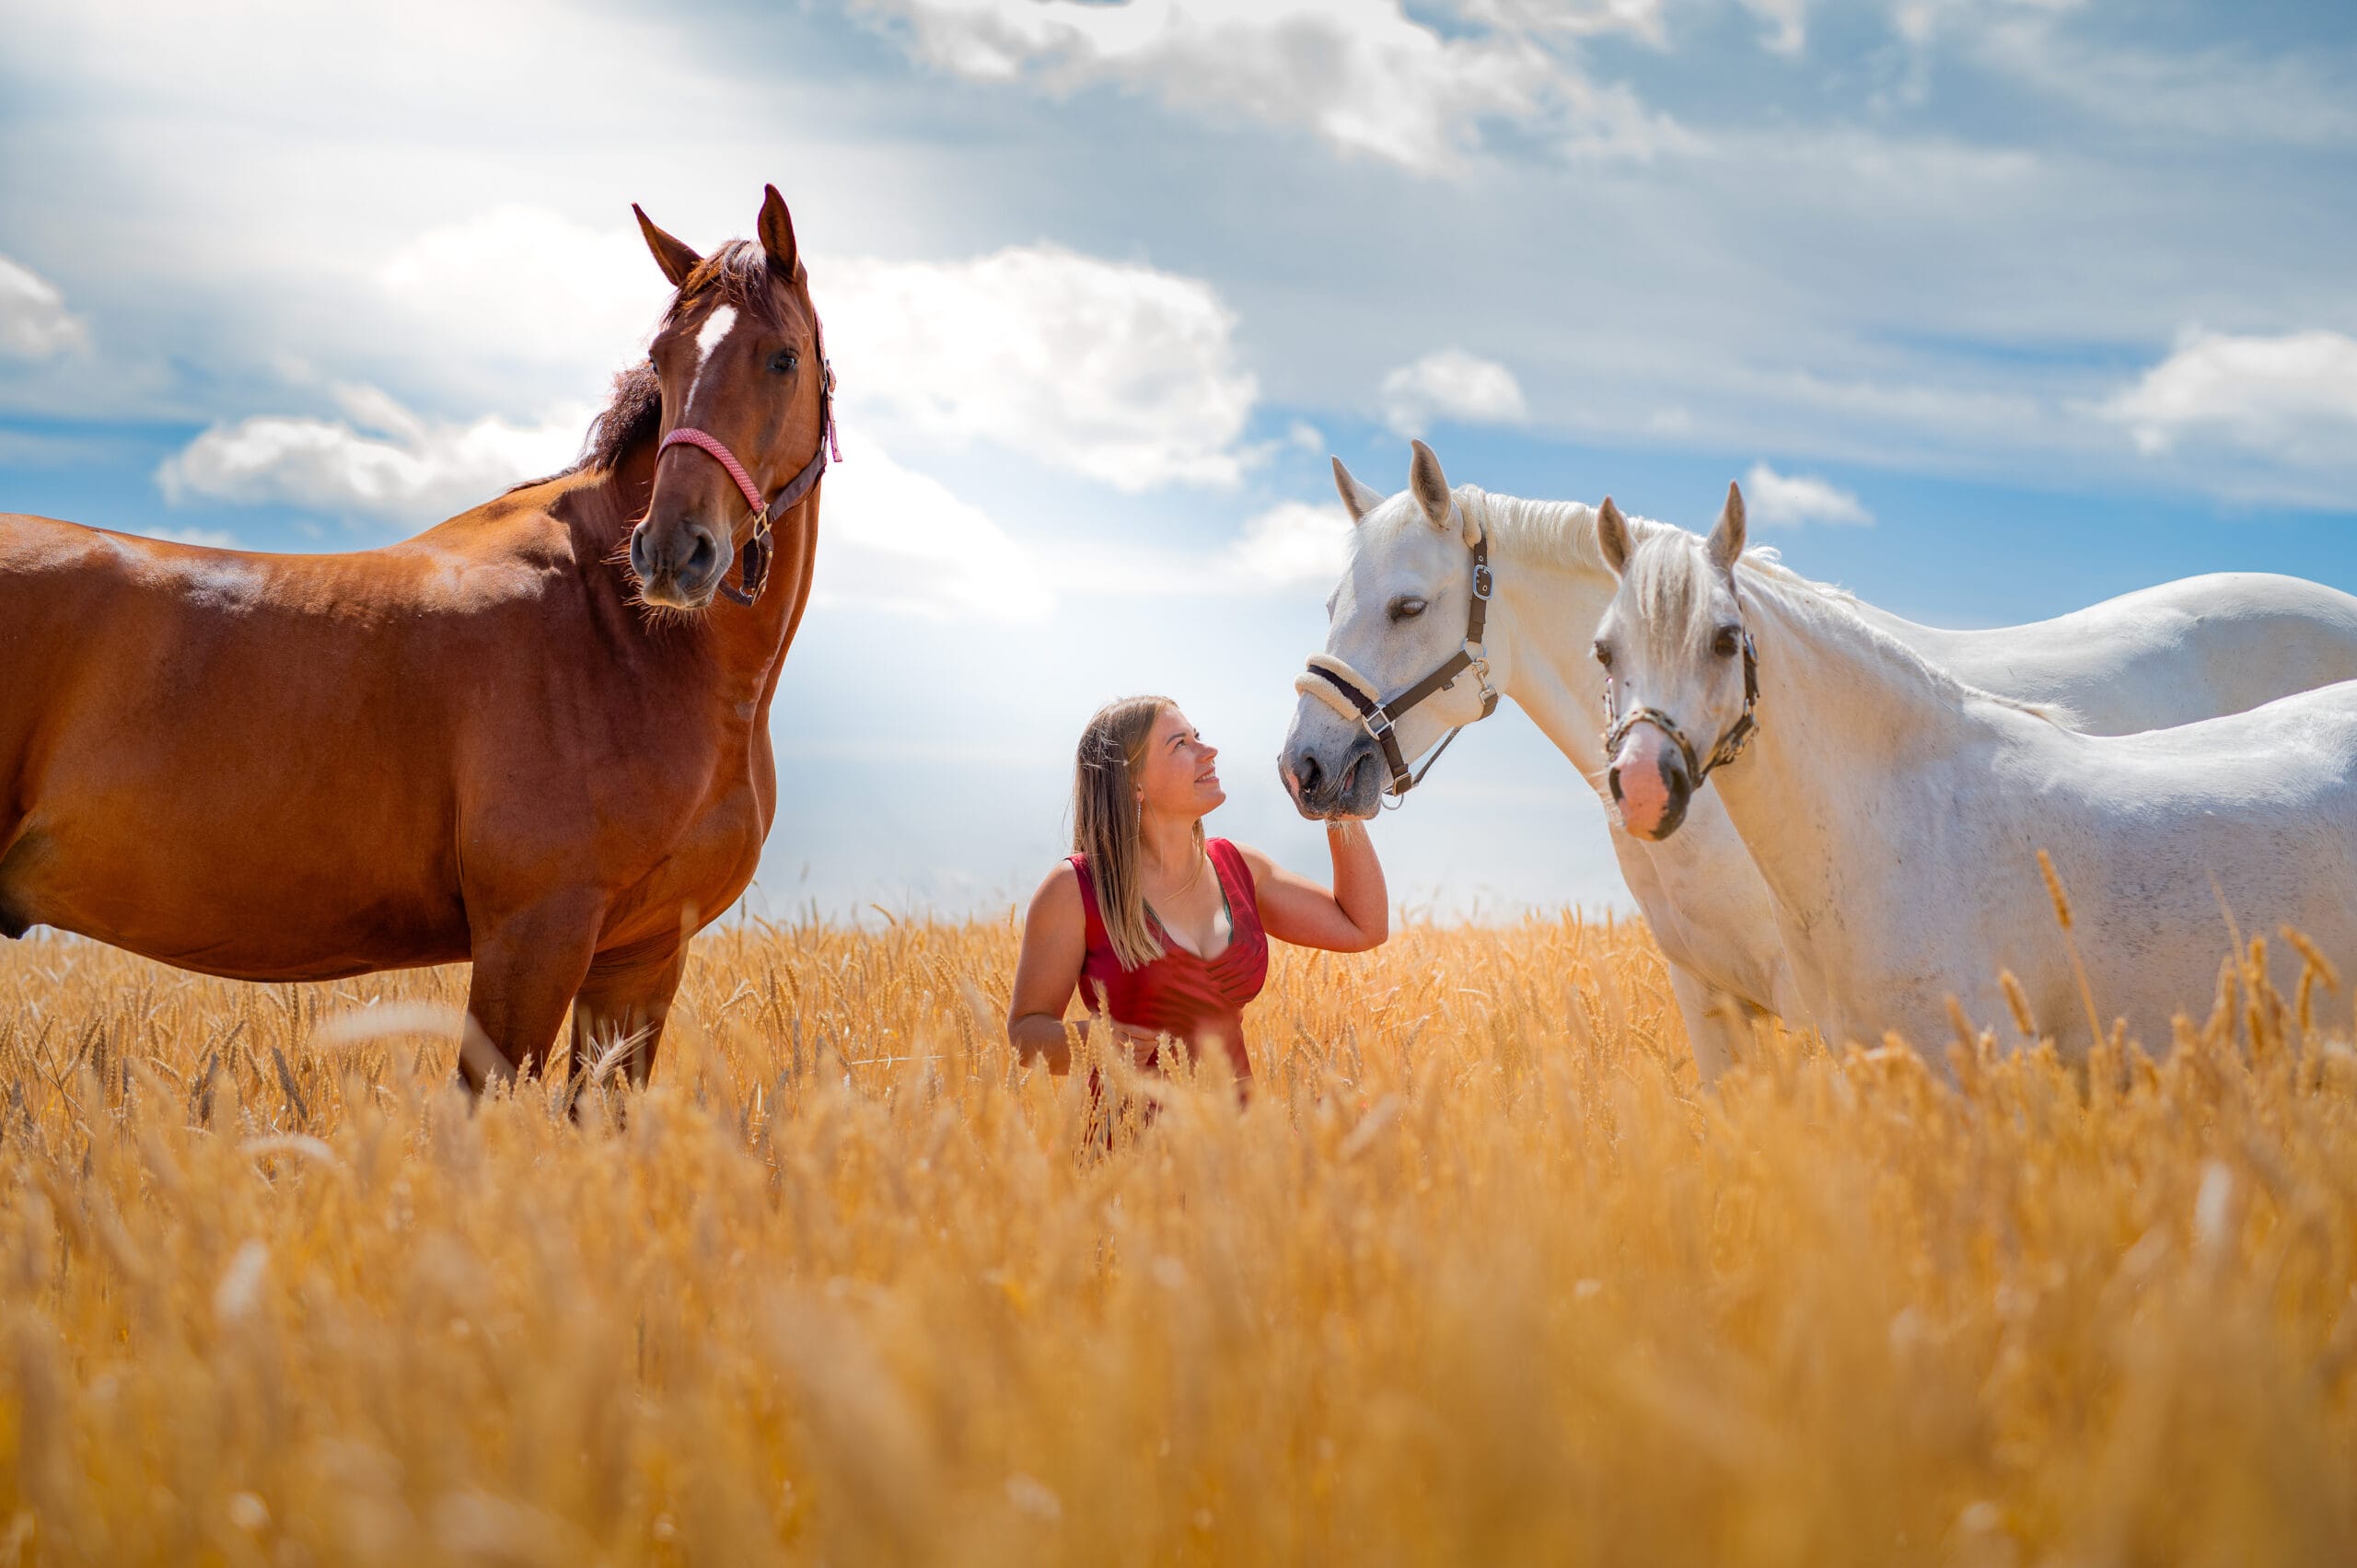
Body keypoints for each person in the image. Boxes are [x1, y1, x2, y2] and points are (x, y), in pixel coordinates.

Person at [1008, 695, 1388, 1089]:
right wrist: (1097, 1042)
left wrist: (1339, 804)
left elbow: (1362, 926)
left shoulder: (1240, 868)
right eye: (1181, 744)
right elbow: (1025, 1033)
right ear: (1133, 782)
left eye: (1198, 737)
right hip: (1123, 1142)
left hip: (1238, 1142)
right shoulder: (1075, 888)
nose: (1209, 751)